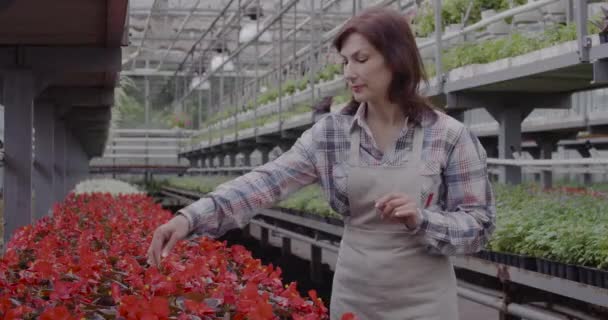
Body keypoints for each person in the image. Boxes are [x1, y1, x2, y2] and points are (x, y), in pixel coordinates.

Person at [148, 7, 496, 320]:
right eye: (345, 62)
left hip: (427, 304)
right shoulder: (331, 134)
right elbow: (267, 181)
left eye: (360, 59)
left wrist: (423, 220)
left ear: (395, 59)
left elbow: (479, 227)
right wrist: (189, 218)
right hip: (356, 299)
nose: (349, 72)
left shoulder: (449, 136)